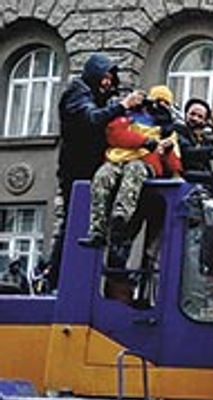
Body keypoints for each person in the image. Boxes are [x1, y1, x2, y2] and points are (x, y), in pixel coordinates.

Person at [55, 53, 143, 288]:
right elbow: (90, 120)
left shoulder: (96, 95)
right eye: (105, 77)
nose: (108, 83)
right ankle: (58, 279)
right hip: (78, 170)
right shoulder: (77, 92)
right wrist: (123, 106)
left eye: (110, 79)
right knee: (74, 223)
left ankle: (77, 280)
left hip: (92, 168)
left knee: (94, 222)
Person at [81, 85, 183, 252]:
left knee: (134, 171)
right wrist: (144, 141)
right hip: (117, 160)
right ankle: (97, 229)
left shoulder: (167, 129)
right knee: (102, 176)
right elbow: (115, 135)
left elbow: (174, 164)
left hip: (144, 164)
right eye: (157, 101)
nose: (159, 106)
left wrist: (167, 150)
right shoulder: (129, 116)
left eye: (165, 103)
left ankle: (120, 219)